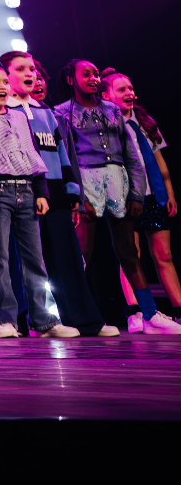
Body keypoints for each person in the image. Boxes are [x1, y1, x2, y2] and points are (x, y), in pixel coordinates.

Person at [0, 51, 108, 335]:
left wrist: (72, 193)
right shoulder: (4, 111)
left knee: (67, 258)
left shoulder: (46, 112)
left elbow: (62, 153)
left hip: (56, 191)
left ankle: (83, 320)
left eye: (32, 69)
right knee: (25, 261)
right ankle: (26, 320)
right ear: (5, 75)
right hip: (23, 193)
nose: (29, 74)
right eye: (20, 69)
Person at [54, 59, 157, 333]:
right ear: (71, 80)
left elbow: (131, 154)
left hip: (117, 180)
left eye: (96, 74)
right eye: (86, 74)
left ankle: (149, 314)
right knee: (82, 251)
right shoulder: (62, 113)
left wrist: (137, 193)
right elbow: (66, 156)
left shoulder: (112, 109)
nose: (93, 78)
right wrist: (78, 195)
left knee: (129, 250)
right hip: (86, 180)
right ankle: (76, 315)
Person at [0, 62, 70, 337]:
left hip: (26, 189)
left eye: (4, 81)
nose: (2, 87)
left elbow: (32, 152)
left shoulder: (19, 117)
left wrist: (42, 192)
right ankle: (4, 320)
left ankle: (44, 321)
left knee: (35, 259)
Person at [101, 72, 181, 333]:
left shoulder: (144, 122)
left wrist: (169, 193)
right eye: (122, 90)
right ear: (107, 96)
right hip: (125, 196)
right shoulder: (106, 124)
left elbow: (159, 161)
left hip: (152, 195)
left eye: (131, 88)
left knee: (164, 254)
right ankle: (136, 311)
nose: (129, 93)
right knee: (130, 255)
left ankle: (178, 309)